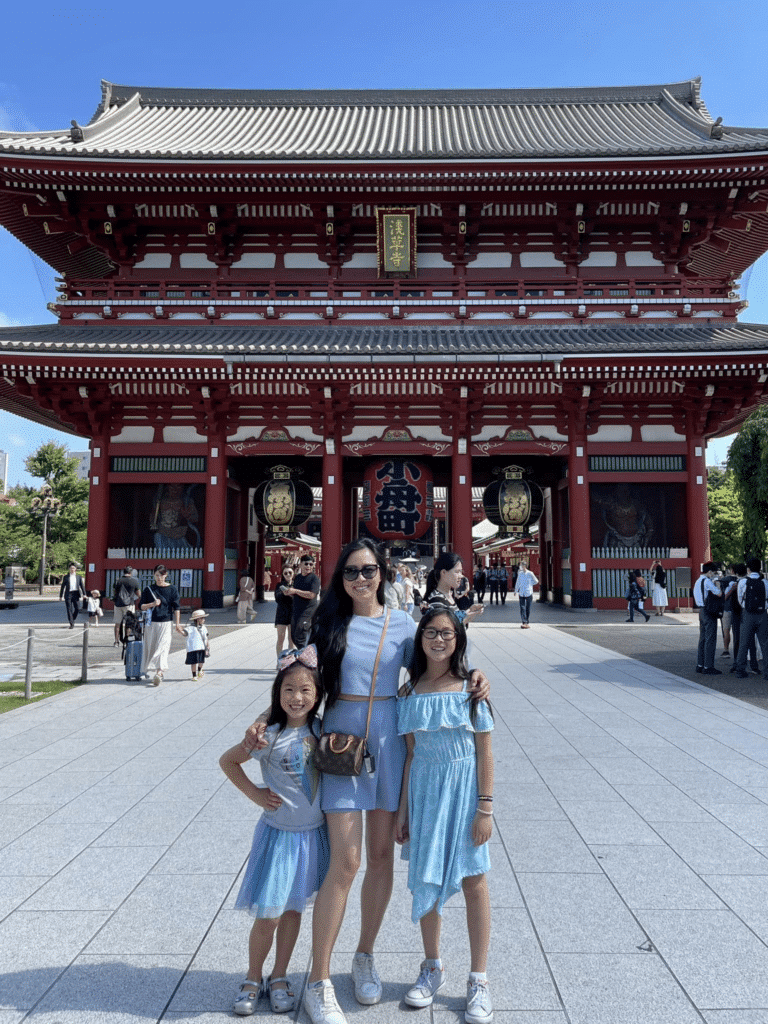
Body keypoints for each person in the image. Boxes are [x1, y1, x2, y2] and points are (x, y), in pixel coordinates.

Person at [244, 539, 490, 1024]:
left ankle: (365, 954)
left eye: (370, 570)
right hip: (339, 744)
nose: (361, 579)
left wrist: (476, 675)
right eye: (352, 571)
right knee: (346, 861)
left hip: (390, 744)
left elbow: (436, 660)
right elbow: (298, 682)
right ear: (341, 576)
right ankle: (319, 979)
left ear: (384, 573)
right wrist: (263, 718)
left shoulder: (402, 624)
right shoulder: (326, 624)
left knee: (380, 857)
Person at [396, 608, 494, 1024]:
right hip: (425, 792)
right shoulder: (409, 691)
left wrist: (485, 807)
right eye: (431, 633)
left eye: (448, 633)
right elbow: (410, 754)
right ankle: (431, 965)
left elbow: (485, 750)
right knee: (426, 878)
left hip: (464, 790)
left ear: (459, 639)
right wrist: (403, 810)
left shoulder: (472, 689)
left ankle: (479, 978)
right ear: (420, 638)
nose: (439, 640)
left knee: (474, 880)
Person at [219, 648, 329, 1017]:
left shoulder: (323, 731)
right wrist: (255, 793)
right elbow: (228, 761)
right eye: (288, 690)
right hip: (279, 838)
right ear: (277, 695)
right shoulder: (269, 736)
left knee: (294, 911)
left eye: (305, 691)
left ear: (317, 696)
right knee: (269, 914)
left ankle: (279, 975)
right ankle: (253, 976)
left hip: (311, 837)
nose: (297, 698)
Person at [140, 565, 183, 686]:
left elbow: (177, 607)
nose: (159, 578)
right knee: (152, 647)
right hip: (151, 623)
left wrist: (177, 623)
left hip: (166, 622)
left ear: (166, 575)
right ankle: (158, 671)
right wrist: (152, 604)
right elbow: (141, 606)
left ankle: (159, 673)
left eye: (162, 575)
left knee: (163, 647)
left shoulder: (172, 589)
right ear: (153, 575)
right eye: (157, 575)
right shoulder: (149, 589)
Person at [423, 552, 484, 627]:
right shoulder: (436, 601)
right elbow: (444, 630)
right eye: (457, 572)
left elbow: (452, 617)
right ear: (444, 572)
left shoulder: (448, 595)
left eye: (461, 572)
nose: (461, 576)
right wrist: (465, 619)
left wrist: (470, 610)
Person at [732, 557, 768, 680]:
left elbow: (740, 599)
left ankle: (740, 670)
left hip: (747, 614)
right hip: (762, 614)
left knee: (744, 643)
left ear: (748, 569)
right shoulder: (765, 582)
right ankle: (767, 672)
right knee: (765, 643)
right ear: (760, 568)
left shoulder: (743, 582)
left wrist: (746, 607)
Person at [693, 561, 723, 675]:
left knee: (703, 639)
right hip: (708, 611)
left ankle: (700, 665)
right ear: (709, 571)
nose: (714, 574)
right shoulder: (707, 581)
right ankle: (708, 666)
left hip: (701, 611)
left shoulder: (698, 581)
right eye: (713, 572)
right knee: (710, 639)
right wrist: (717, 582)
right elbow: (719, 593)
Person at [286, 555, 320, 648]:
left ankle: (305, 657)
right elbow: (297, 594)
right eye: (306, 564)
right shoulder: (298, 577)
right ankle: (304, 654)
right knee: (294, 636)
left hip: (308, 612)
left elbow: (312, 595)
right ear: (300, 564)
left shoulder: (314, 578)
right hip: (296, 611)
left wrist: (295, 591)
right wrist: (289, 592)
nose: (308, 566)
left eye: (311, 564)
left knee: (302, 635)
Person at [112, 565, 141, 645]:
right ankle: (127, 640)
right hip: (129, 604)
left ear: (124, 572)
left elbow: (115, 592)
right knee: (129, 623)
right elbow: (138, 594)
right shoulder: (134, 581)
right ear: (130, 572)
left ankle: (116, 641)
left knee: (117, 623)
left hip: (118, 604)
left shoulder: (118, 580)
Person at [274, 565, 295, 662]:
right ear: (283, 574)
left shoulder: (296, 585)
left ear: (293, 573)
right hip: (281, 614)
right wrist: (284, 593)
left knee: (291, 639)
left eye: (290, 572)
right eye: (285, 573)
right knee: (280, 638)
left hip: (293, 614)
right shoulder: (279, 585)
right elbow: (277, 599)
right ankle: (280, 660)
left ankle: (290, 660)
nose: (288, 575)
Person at [183, 609, 210, 680]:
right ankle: (194, 675)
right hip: (193, 648)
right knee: (194, 662)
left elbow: (206, 637)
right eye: (202, 618)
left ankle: (200, 670)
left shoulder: (204, 627)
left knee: (201, 661)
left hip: (202, 647)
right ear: (198, 619)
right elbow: (184, 633)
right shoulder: (190, 628)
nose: (204, 620)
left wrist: (207, 645)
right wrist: (179, 630)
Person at [58, 562, 86, 629]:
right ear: (69, 569)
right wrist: (60, 596)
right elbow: (62, 587)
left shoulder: (79, 577)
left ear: (76, 569)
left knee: (77, 608)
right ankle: (71, 623)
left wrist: (84, 594)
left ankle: (72, 619)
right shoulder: (66, 577)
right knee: (69, 609)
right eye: (71, 568)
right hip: (68, 594)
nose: (72, 569)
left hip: (76, 594)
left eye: (73, 568)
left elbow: (82, 586)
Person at [514, 561, 539, 628]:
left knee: (528, 608)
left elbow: (536, 581)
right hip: (521, 592)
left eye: (521, 565)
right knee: (522, 607)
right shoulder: (520, 573)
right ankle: (524, 622)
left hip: (529, 592)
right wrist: (515, 590)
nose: (520, 567)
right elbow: (518, 582)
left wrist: (530, 584)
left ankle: (527, 621)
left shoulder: (530, 573)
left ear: (524, 566)